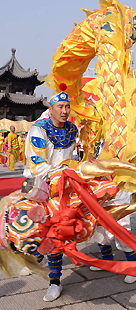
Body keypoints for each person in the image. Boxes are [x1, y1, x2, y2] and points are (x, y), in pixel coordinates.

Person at [23, 87, 78, 301]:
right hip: (40, 186)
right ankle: (38, 256)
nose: (64, 111)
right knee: (40, 231)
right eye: (60, 107)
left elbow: (73, 156)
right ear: (50, 108)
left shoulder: (73, 129)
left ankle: (54, 281)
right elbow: (37, 164)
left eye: (67, 106)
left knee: (57, 233)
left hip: (62, 188)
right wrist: (62, 174)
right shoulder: (39, 130)